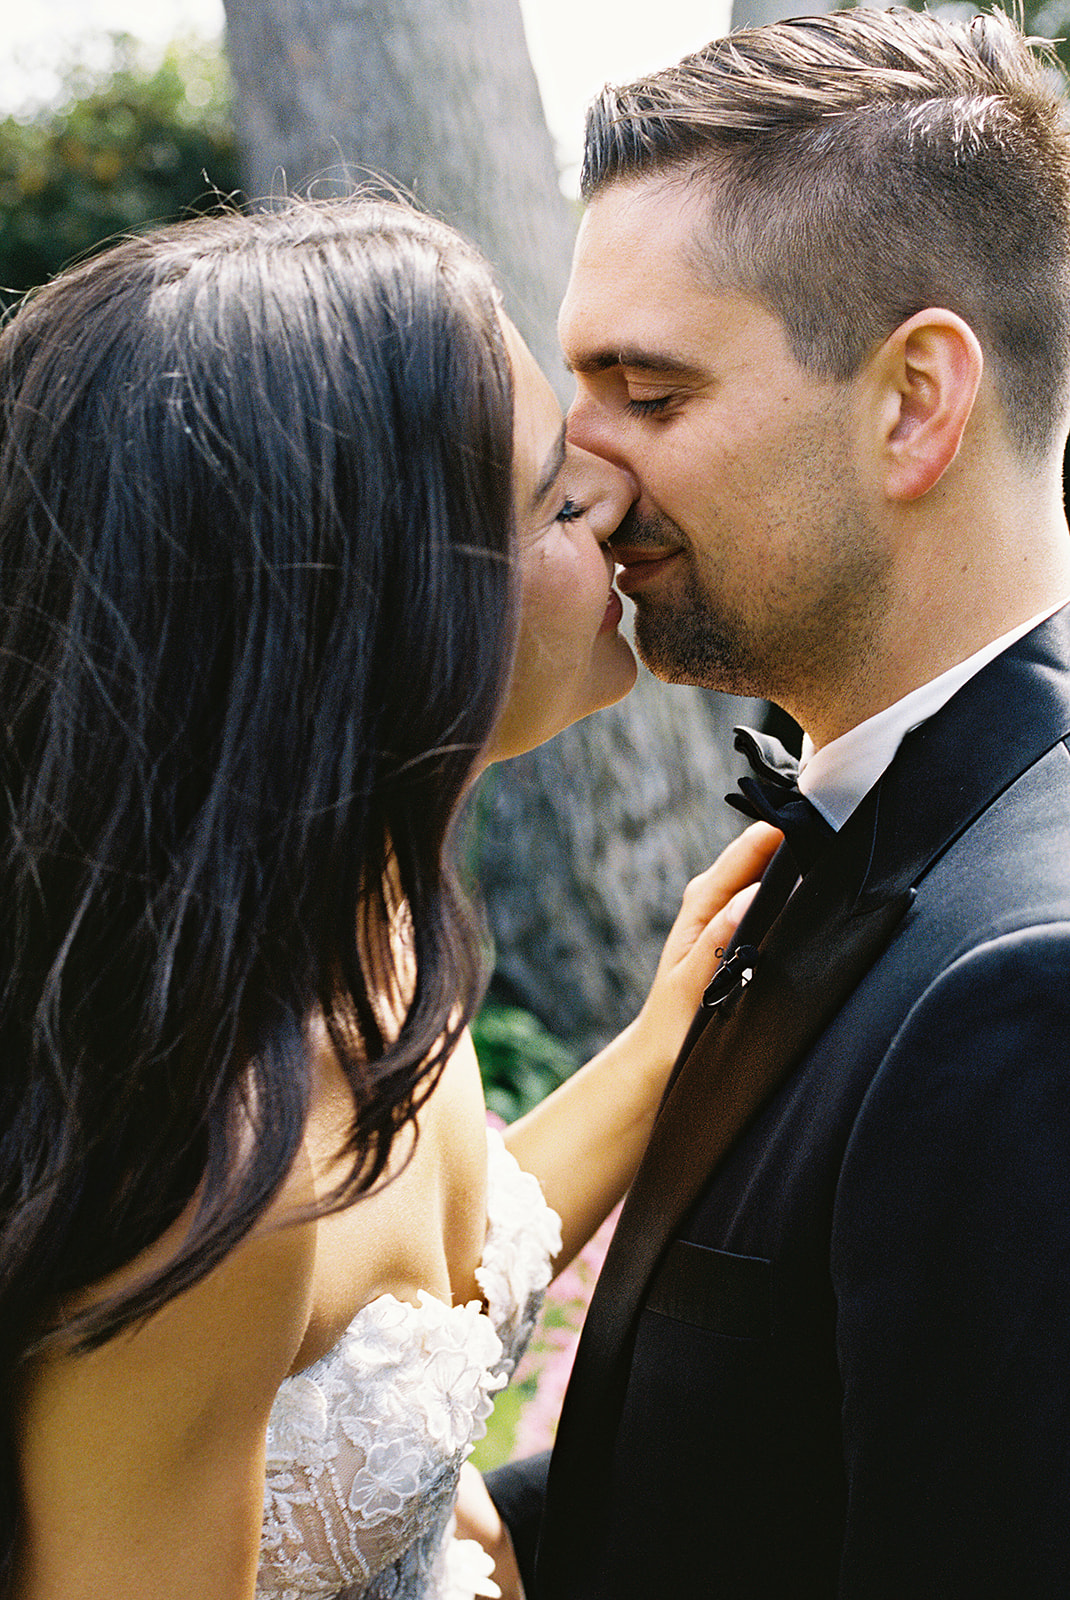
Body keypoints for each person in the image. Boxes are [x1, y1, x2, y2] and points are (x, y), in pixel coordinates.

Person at [0, 194, 775, 1600]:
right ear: (376, 596)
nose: (606, 497)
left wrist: (676, 1035)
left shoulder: (361, 918)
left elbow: (435, 1279)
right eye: (548, 497)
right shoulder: (204, 1168)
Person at [506, 9, 1070, 1598]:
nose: (582, 476)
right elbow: (777, 1448)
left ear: (912, 404)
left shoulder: (1030, 973)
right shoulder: (860, 838)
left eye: (650, 395)